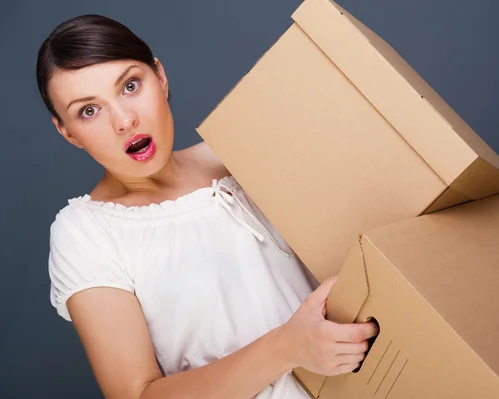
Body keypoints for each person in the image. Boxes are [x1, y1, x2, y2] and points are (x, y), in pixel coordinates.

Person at [37, 14, 378, 399]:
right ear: (67, 132)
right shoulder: (86, 232)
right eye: (89, 110)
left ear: (160, 76)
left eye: (130, 86)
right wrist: (287, 347)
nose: (124, 120)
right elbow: (137, 395)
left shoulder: (242, 154)